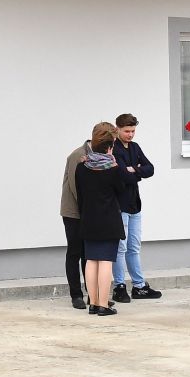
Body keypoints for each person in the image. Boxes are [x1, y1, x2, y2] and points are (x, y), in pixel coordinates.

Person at [74, 122, 127, 316]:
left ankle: (93, 303)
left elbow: (80, 195)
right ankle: (104, 305)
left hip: (88, 219)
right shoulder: (113, 169)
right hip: (109, 221)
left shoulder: (82, 167)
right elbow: (121, 191)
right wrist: (116, 165)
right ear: (110, 145)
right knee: (105, 262)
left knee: (91, 261)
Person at [110, 113, 161, 302]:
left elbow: (150, 168)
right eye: (127, 131)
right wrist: (136, 171)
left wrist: (135, 170)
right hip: (120, 205)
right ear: (117, 129)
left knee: (134, 247)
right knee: (120, 248)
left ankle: (139, 286)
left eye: (133, 131)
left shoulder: (135, 147)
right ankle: (119, 286)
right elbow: (123, 175)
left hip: (135, 204)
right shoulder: (114, 149)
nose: (130, 134)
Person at [59, 135, 90, 309]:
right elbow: (74, 185)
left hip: (88, 211)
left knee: (89, 254)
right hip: (73, 212)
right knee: (75, 251)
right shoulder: (77, 155)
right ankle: (76, 295)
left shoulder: (101, 155)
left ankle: (93, 295)